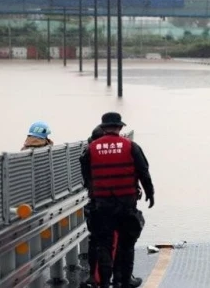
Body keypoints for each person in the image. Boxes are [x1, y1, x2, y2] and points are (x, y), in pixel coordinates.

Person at [80, 112, 154, 288]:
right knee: (126, 245)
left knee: (104, 245)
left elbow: (86, 175)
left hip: (102, 205)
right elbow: (144, 172)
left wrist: (93, 191)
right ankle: (125, 280)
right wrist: (150, 193)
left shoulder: (91, 149)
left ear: (103, 128)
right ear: (120, 127)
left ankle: (104, 283)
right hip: (126, 204)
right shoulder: (131, 146)